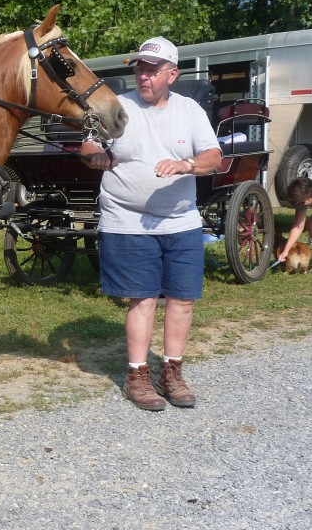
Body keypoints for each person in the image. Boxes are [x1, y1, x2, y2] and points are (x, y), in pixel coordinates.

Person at [80, 36, 222, 412]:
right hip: (127, 222)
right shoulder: (118, 108)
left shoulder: (190, 111)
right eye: (140, 68)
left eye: (152, 69)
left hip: (181, 221)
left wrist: (186, 165)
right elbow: (90, 143)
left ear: (172, 74)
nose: (143, 75)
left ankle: (171, 372)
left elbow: (213, 156)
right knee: (141, 299)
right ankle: (137, 376)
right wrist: (94, 155)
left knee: (182, 300)